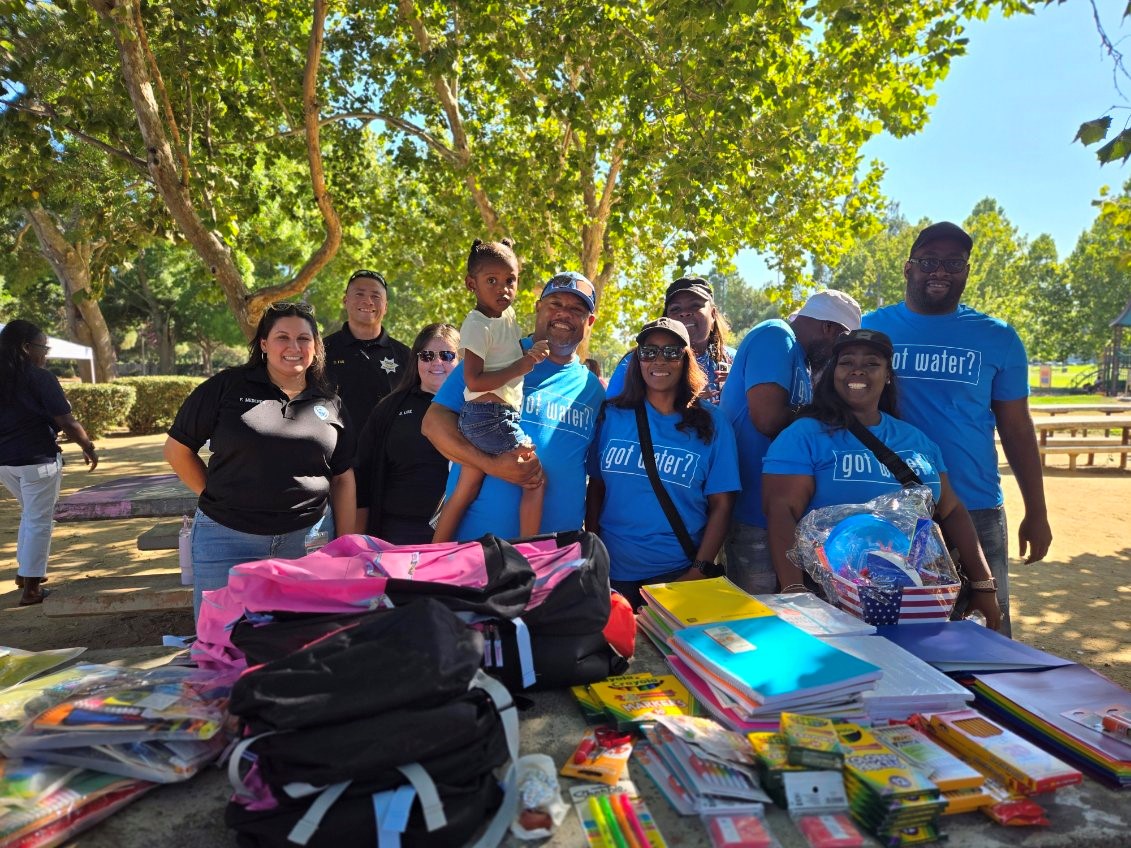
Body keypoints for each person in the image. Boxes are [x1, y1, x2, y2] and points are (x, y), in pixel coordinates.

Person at [862, 222, 1051, 636]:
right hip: (889, 509)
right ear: (908, 268)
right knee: (895, 635)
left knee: (990, 634)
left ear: (966, 272)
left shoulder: (997, 338)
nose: (940, 271)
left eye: (953, 262)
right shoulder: (870, 328)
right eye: (929, 261)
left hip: (976, 503)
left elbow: (1017, 427)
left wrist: (1037, 511)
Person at [761, 328, 1003, 630]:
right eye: (846, 362)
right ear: (833, 373)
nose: (857, 369)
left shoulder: (916, 440)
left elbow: (951, 510)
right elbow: (781, 512)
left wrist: (983, 585)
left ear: (888, 375)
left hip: (919, 598)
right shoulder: (804, 436)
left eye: (872, 363)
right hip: (832, 600)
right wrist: (794, 592)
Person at [164, 303, 357, 619]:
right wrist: (215, 497)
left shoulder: (330, 402)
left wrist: (344, 547)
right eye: (282, 337)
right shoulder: (227, 386)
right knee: (224, 644)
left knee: (302, 640)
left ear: (316, 346)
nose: (294, 347)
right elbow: (177, 450)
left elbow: (344, 477)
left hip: (308, 542)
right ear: (264, 344)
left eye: (304, 339)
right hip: (227, 540)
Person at [422, 271, 604, 541]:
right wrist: (491, 464)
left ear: (589, 322)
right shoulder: (497, 354)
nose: (564, 314)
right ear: (538, 308)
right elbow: (433, 424)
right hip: (474, 551)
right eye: (555, 304)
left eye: (576, 309)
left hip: (554, 559)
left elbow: (597, 477)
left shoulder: (592, 390)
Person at [585, 318, 739, 609]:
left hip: (679, 573)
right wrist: (594, 556)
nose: (659, 360)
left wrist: (699, 569)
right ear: (637, 359)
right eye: (649, 351)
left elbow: (723, 504)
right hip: (612, 574)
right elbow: (597, 488)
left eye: (671, 352)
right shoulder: (611, 416)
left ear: (685, 360)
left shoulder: (713, 423)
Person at [718, 289, 862, 594]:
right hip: (752, 514)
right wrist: (823, 414)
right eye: (841, 345)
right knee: (758, 620)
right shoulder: (776, 335)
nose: (839, 357)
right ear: (829, 328)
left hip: (781, 515)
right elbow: (767, 419)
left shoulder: (801, 360)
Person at [431, 239, 550, 542]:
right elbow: (473, 380)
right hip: (490, 417)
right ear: (471, 284)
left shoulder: (505, 315)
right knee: (535, 479)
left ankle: (434, 552)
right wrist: (523, 366)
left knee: (466, 488)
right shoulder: (477, 324)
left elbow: (511, 343)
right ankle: (527, 553)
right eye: (492, 281)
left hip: (483, 418)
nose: (503, 289)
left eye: (510, 280)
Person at [0, 320, 98, 606]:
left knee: (30, 515)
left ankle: (24, 574)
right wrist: (88, 447)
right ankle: (31, 589)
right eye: (44, 347)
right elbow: (66, 420)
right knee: (39, 520)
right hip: (38, 461)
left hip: (5, 463)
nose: (46, 354)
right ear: (25, 348)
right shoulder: (40, 378)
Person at [355, 323, 460, 544]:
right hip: (399, 532)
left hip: (463, 528)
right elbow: (362, 476)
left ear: (461, 360)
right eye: (427, 355)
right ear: (416, 360)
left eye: (447, 355)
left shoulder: (479, 408)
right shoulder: (389, 408)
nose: (437, 362)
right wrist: (357, 540)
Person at [606, 276, 734, 402]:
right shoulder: (635, 362)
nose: (685, 313)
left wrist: (738, 389)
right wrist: (682, 405)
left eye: (695, 306)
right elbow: (611, 414)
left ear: (712, 315)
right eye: (675, 308)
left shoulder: (734, 361)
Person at [324, 269, 411, 433]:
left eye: (376, 296)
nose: (368, 301)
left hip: (388, 454)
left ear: (385, 307)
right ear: (345, 300)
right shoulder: (323, 351)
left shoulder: (405, 355)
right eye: (360, 294)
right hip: (336, 453)